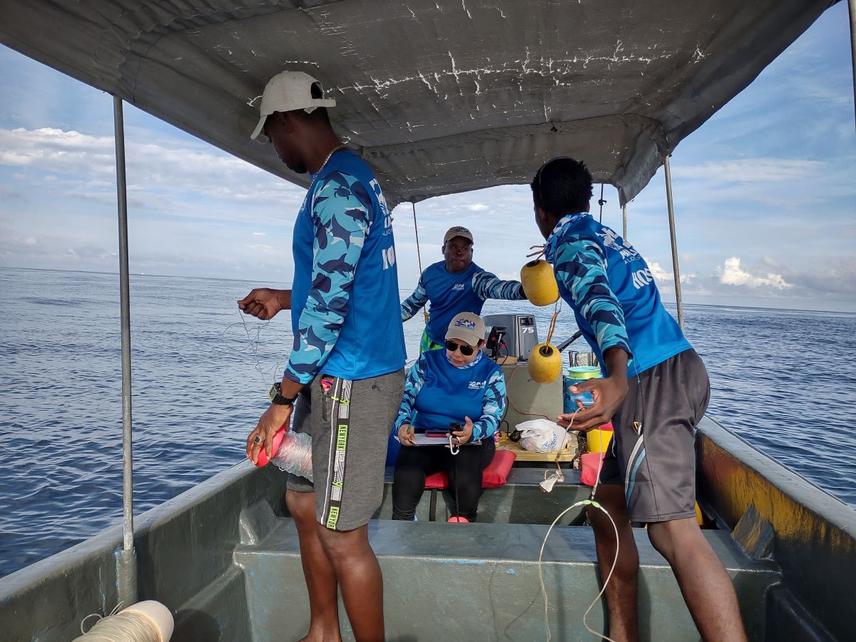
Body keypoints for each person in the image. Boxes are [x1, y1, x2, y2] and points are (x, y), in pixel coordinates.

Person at [530, 157, 747, 642]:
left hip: (649, 378)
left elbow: (602, 304)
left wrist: (619, 378)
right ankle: (622, 634)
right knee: (606, 505)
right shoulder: (604, 236)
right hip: (673, 371)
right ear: (587, 200)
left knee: (673, 531)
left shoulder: (567, 242)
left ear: (540, 210)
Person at [241, 70, 405, 642]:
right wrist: (286, 298)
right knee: (303, 503)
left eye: (272, 135)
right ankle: (322, 631)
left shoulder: (336, 188)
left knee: (342, 535)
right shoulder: (352, 178)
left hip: (352, 381)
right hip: (334, 371)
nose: (275, 147)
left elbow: (332, 308)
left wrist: (281, 401)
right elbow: (338, 284)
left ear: (288, 122)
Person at [392, 312, 506, 523]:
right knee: (408, 468)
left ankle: (463, 523)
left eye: (466, 349)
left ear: (481, 344)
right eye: (451, 345)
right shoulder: (427, 362)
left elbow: (494, 415)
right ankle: (403, 525)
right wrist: (402, 425)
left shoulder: (492, 373)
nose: (456, 354)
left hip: (470, 441)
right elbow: (404, 398)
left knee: (465, 467)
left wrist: (474, 432)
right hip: (426, 437)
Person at [401, 226, 527, 352]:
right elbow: (412, 304)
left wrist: (526, 290)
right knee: (423, 372)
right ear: (443, 249)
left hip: (461, 349)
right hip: (430, 341)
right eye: (454, 246)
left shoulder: (478, 279)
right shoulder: (430, 273)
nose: (459, 252)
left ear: (471, 252)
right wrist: (386, 319)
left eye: (465, 248)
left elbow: (501, 288)